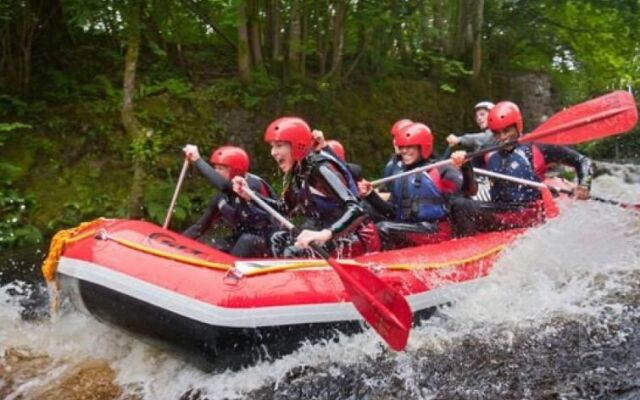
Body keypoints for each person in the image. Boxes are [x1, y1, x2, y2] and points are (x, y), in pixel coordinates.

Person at [232, 117, 380, 258]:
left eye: (279, 146)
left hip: (358, 236)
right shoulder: (296, 172)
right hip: (330, 235)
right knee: (277, 238)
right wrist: (251, 196)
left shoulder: (319, 168)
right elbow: (283, 208)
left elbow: (356, 209)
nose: (273, 153)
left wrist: (325, 233)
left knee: (293, 252)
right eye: (272, 147)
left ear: (297, 145)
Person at [449, 101, 593, 237]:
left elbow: (582, 161)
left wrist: (584, 185)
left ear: (518, 126)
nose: (502, 137)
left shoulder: (537, 146)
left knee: (461, 204)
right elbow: (471, 191)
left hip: (529, 214)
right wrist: (465, 166)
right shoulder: (487, 152)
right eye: (497, 133)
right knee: (458, 203)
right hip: (500, 212)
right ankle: (466, 248)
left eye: (507, 131)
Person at [357, 122, 472, 249]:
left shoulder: (440, 169)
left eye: (409, 147)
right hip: (410, 228)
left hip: (435, 232)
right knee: (364, 215)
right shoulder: (400, 172)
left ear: (423, 147)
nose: (404, 151)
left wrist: (466, 167)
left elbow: (469, 191)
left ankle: (380, 261)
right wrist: (370, 195)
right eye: (401, 147)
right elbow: (392, 213)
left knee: (384, 229)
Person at [182, 144, 277, 258]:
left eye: (220, 168)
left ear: (235, 171)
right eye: (215, 168)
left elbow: (223, 185)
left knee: (247, 240)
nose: (215, 172)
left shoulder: (252, 185)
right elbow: (198, 228)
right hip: (242, 239)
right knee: (217, 246)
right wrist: (176, 244)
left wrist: (197, 160)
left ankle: (229, 272)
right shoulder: (222, 198)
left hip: (269, 244)